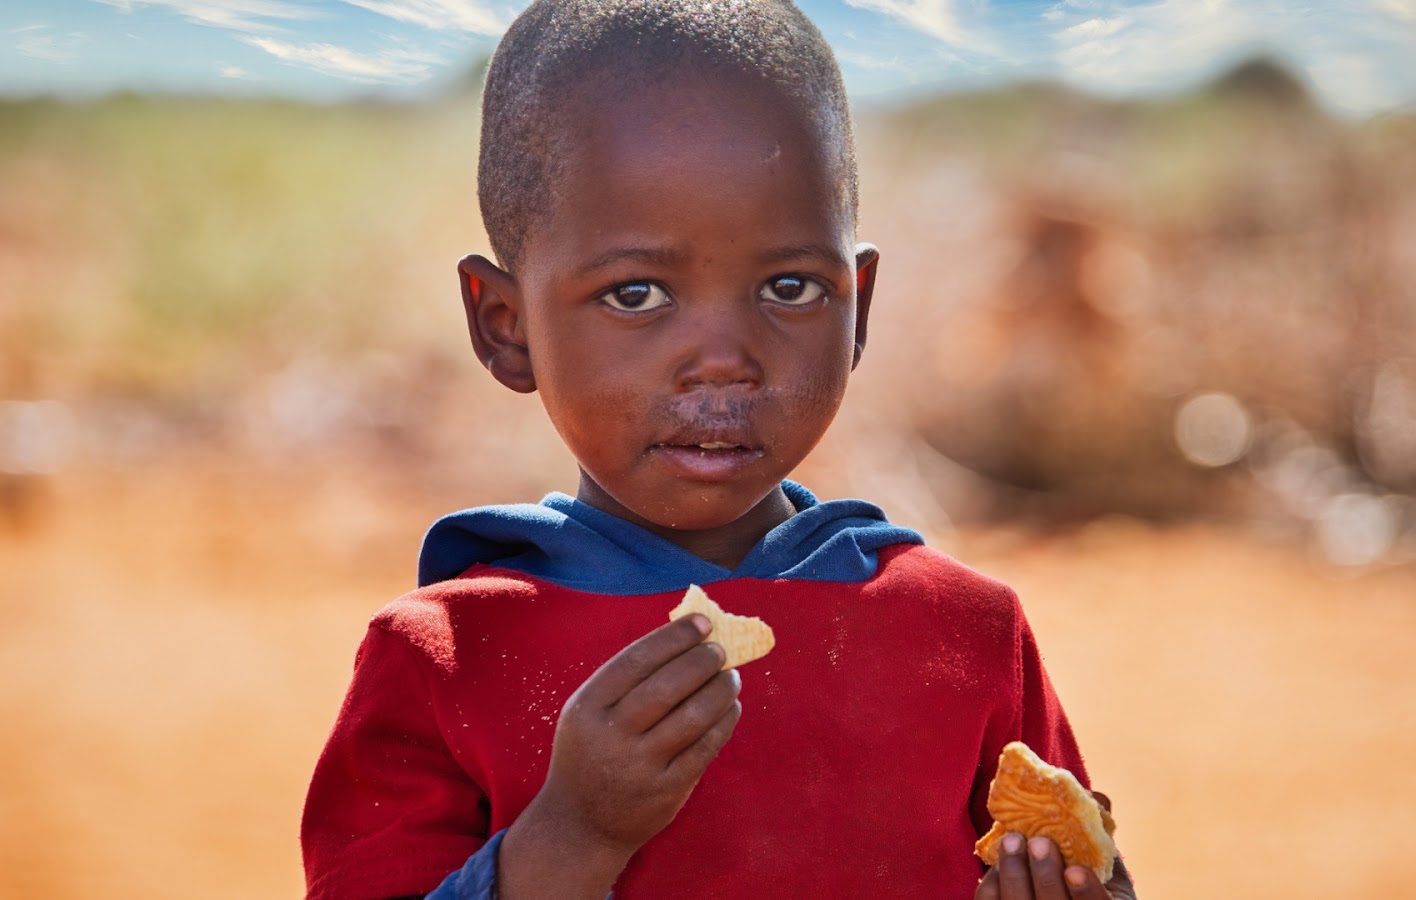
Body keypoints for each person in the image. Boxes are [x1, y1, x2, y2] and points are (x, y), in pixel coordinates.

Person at [300, 1, 1135, 898]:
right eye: (635, 294)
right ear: (506, 326)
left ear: (858, 304)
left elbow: (1093, 868)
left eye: (788, 286)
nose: (724, 359)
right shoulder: (446, 659)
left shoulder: (965, 633)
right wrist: (571, 836)